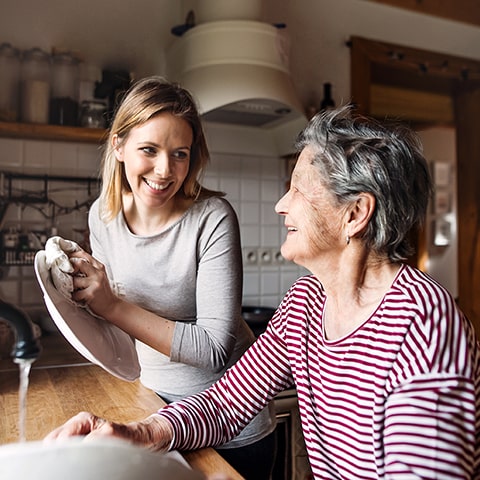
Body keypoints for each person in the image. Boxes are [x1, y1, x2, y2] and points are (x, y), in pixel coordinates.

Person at [46, 105, 480, 479]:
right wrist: (136, 433)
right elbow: (228, 401)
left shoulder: (425, 327)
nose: (280, 205)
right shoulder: (307, 302)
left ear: (355, 214)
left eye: (298, 190)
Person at [54, 76, 277, 479]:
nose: (164, 169)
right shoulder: (102, 218)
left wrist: (111, 304)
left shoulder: (212, 219)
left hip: (231, 427)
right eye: (149, 150)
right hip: (153, 409)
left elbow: (214, 349)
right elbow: (114, 328)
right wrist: (80, 294)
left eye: (180, 154)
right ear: (118, 146)